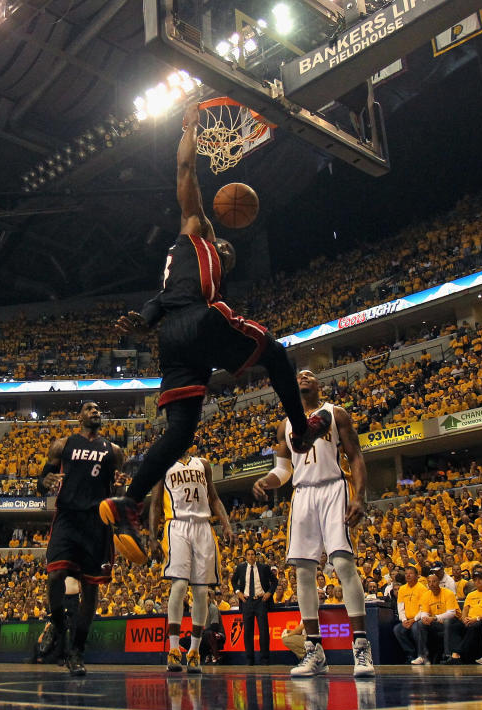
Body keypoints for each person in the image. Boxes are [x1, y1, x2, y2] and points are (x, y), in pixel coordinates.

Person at [100, 102, 331, 552]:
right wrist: (188, 126)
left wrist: (142, 323)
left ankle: (128, 500)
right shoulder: (197, 231)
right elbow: (186, 169)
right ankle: (300, 431)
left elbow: (158, 303)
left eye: (229, 255)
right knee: (277, 353)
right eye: (225, 248)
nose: (226, 252)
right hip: (200, 323)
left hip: (175, 340)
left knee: (182, 432)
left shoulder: (182, 273)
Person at [252, 369, 375, 678]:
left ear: (320, 385)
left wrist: (359, 497)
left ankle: (360, 647)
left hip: (334, 486)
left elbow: (356, 455)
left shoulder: (335, 414)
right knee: (303, 572)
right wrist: (266, 481)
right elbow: (283, 470)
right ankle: (314, 652)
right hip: (303, 494)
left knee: (344, 565)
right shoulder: (284, 426)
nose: (303, 377)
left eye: (310, 375)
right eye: (298, 376)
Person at [37, 401, 124, 676]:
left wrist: (120, 488)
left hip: (97, 521)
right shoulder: (63, 445)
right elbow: (43, 478)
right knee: (55, 576)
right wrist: (46, 482)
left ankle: (77, 651)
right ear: (80, 417)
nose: (95, 411)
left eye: (98, 408)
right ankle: (57, 624)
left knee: (90, 588)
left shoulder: (114, 451)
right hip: (68, 516)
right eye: (89, 408)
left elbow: (117, 486)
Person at [149, 451, 233, 673]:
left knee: (201, 591)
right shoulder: (163, 463)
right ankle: (174, 649)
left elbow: (214, 498)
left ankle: (195, 651)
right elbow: (156, 503)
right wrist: (152, 536)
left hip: (203, 527)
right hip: (176, 525)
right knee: (178, 586)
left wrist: (226, 524)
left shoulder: (203, 464)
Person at [230, 548, 277, 665]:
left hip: (261, 601)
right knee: (248, 632)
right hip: (246, 601)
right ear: (245, 556)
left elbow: (275, 581)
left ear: (255, 556)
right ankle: (249, 659)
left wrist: (269, 593)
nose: (251, 556)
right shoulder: (240, 568)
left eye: (253, 554)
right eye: (249, 554)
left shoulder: (264, 568)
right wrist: (238, 592)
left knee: (264, 631)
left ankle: (265, 659)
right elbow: (233, 581)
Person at [447, 566, 482, 663]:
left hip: (481, 620)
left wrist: (477, 619)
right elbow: (465, 609)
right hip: (469, 619)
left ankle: (457, 653)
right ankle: (452, 654)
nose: (478, 582)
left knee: (473, 627)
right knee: (453, 626)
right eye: (475, 580)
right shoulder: (470, 595)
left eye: (480, 579)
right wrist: (464, 619)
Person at [415, 571, 460, 665]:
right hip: (437, 622)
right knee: (420, 623)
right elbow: (424, 612)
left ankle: (447, 655)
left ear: (439, 582)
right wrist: (424, 618)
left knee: (447, 622)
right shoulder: (426, 595)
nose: (431, 584)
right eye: (429, 582)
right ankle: (422, 656)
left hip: (454, 622)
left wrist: (435, 618)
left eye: (434, 581)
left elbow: (452, 613)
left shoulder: (448, 593)